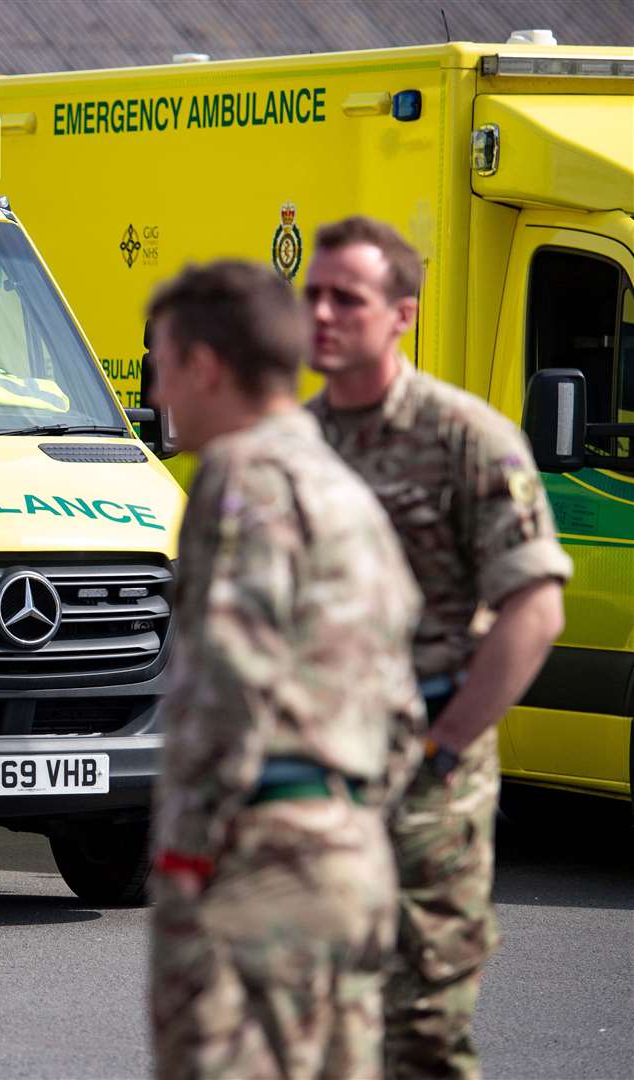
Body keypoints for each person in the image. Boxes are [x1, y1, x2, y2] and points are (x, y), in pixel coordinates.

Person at [305, 216, 572, 1079]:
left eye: (348, 298)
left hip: (425, 776)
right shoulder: (286, 448)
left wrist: (445, 746)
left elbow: (535, 609)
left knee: (420, 1029)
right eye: (313, 295)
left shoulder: (468, 440)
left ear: (402, 315)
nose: (323, 314)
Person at [146, 261, 423, 1079]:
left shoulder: (241, 475)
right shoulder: (345, 489)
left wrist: (188, 855)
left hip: (260, 864)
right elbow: (403, 701)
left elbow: (229, 676)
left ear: (205, 366)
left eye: (160, 367)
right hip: (352, 856)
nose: (157, 396)